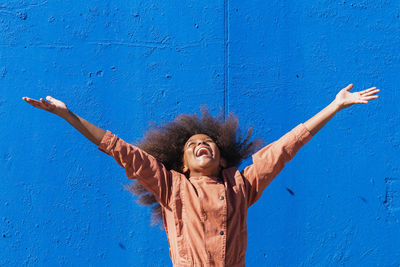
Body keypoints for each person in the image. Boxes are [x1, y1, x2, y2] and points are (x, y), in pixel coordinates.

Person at [22, 84, 379, 266]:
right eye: (192, 144)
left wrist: (333, 107)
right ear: (182, 163)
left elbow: (285, 147)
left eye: (207, 142)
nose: (200, 145)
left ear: (222, 157)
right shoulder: (172, 187)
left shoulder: (240, 186)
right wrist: (70, 117)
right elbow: (120, 149)